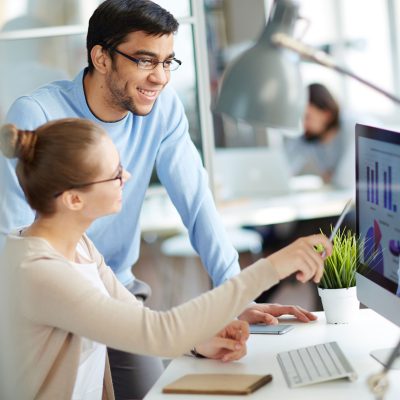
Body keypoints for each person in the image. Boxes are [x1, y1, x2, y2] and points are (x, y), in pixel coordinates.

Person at [0, 1, 321, 397]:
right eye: (146, 61)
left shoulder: (160, 110)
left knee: (160, 388)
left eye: (169, 62)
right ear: (101, 57)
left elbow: (197, 201)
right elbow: (13, 236)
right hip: (52, 297)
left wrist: (232, 295)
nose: (161, 78)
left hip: (114, 286)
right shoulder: (39, 116)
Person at [0, 118, 331, 399]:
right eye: (114, 174)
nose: (125, 177)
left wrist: (198, 342)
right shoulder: (37, 272)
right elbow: (158, 332)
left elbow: (136, 320)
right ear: (73, 199)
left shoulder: (80, 246)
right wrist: (274, 267)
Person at [284, 83, 354, 187]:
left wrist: (331, 177)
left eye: (307, 117)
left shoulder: (352, 128)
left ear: (327, 114)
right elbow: (285, 167)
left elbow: (346, 182)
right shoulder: (309, 135)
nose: (303, 124)